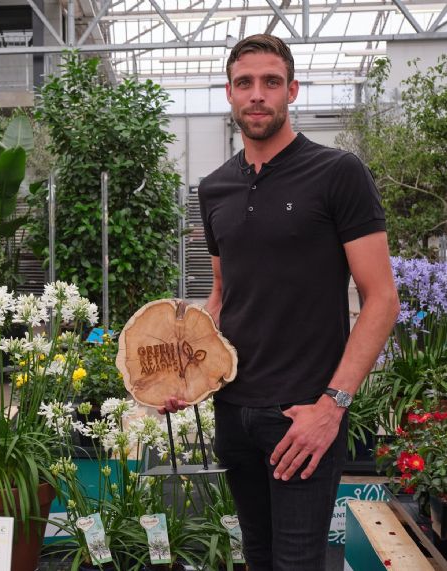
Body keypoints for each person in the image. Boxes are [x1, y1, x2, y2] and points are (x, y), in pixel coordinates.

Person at [162, 34, 400, 570]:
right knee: (259, 557)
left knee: (298, 561)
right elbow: (223, 296)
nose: (258, 95)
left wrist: (331, 407)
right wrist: (181, 375)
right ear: (229, 93)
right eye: (245, 83)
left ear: (291, 90)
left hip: (302, 415)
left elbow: (382, 299)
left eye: (271, 82)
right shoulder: (215, 186)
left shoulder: (337, 173)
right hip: (234, 409)